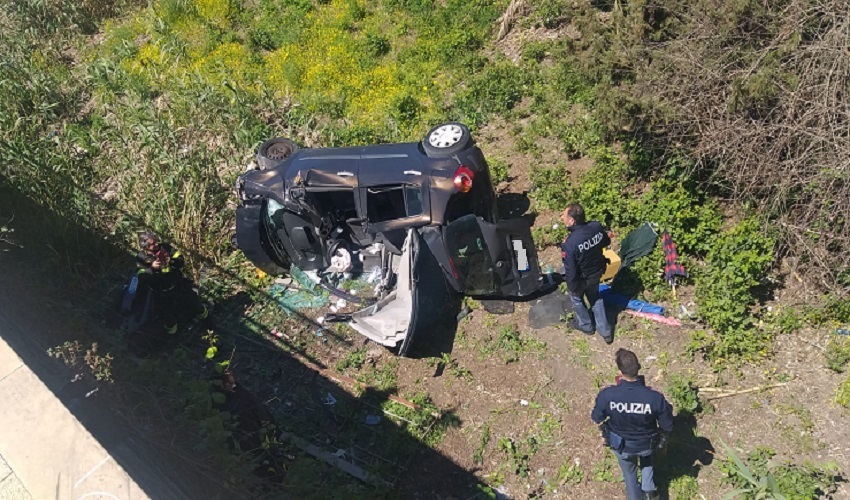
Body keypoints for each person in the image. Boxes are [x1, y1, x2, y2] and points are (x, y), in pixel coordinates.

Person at [591, 349, 673, 500]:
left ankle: (636, 496)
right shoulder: (654, 397)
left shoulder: (607, 395)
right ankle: (648, 490)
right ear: (639, 367)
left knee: (629, 474)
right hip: (647, 444)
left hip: (622, 446)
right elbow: (667, 425)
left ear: (619, 371)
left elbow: (597, 417)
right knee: (647, 459)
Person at [560, 203, 613, 343]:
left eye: (564, 215)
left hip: (582, 278)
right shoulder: (596, 227)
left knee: (577, 298)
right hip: (597, 271)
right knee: (595, 296)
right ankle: (606, 332)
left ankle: (586, 325)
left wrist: (572, 287)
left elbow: (570, 270)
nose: (562, 217)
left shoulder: (570, 244)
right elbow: (606, 241)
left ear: (572, 221)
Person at [136, 231, 206, 334]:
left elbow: (181, 260)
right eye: (153, 244)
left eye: (156, 241)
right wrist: (152, 268)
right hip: (160, 293)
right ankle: (172, 336)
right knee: (168, 318)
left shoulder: (165, 247)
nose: (156, 245)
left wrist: (171, 261)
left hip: (178, 285)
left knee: (195, 303)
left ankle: (208, 322)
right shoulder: (141, 258)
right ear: (145, 247)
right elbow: (142, 278)